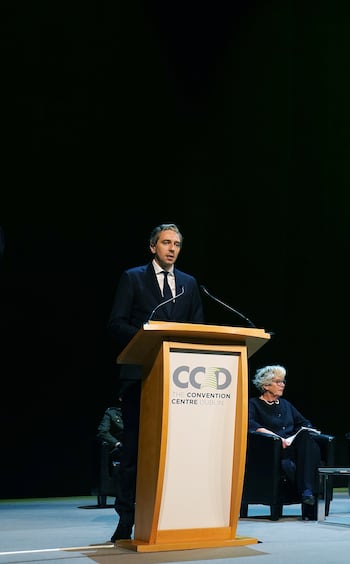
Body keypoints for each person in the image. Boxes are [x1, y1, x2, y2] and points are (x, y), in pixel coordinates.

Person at [106, 223, 205, 542]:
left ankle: (173, 517)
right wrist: (148, 338)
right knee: (135, 452)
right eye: (165, 242)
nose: (172, 249)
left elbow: (197, 328)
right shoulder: (133, 277)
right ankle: (126, 519)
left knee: (176, 453)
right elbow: (116, 323)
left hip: (180, 380)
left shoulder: (189, 284)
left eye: (176, 244)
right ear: (153, 247)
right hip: (141, 377)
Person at [248, 365, 322, 508]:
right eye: (278, 382)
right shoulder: (254, 404)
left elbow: (303, 422)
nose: (282, 385)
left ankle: (307, 492)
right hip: (271, 450)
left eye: (283, 381)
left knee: (307, 437)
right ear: (266, 385)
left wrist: (308, 430)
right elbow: (251, 425)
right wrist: (277, 438)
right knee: (301, 459)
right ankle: (307, 492)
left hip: (291, 447)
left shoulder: (286, 404)